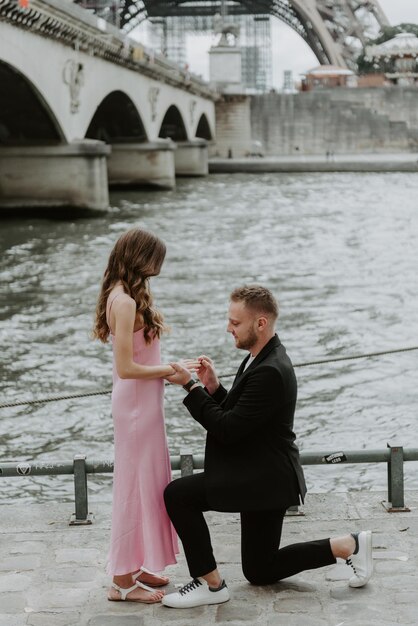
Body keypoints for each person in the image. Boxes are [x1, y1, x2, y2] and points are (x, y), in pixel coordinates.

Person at [162, 285, 373, 609]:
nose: (228, 328)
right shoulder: (262, 357)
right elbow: (243, 416)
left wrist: (191, 387)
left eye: (235, 322)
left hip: (262, 477)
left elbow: (228, 430)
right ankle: (347, 545)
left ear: (260, 323)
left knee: (178, 495)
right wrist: (214, 388)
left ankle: (210, 582)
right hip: (264, 473)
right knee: (260, 570)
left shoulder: (271, 369)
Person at [93, 227, 182, 604]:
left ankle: (138, 562)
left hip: (142, 405)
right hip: (134, 408)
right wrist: (168, 369)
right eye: (153, 262)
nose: (156, 270)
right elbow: (127, 368)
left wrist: (168, 369)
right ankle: (122, 581)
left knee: (147, 483)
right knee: (132, 487)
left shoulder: (122, 293)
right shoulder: (125, 302)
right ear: (140, 257)